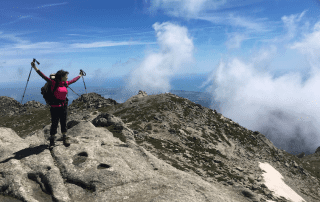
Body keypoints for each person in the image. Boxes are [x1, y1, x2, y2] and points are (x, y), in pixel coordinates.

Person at [31, 61, 84, 150]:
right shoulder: (53, 83)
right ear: (61, 77)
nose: (67, 77)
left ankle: (64, 138)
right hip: (55, 107)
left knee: (63, 122)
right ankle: (52, 140)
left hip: (63, 106)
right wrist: (35, 67)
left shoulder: (65, 83)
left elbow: (73, 80)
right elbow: (42, 76)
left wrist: (80, 75)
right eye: (66, 76)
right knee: (54, 124)